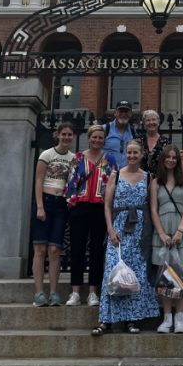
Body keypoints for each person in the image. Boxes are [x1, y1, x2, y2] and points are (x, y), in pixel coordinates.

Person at [93, 139, 160, 335]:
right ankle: (106, 320)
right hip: (119, 229)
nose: (132, 156)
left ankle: (132, 319)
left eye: (135, 153)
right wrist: (110, 230)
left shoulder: (148, 178)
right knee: (113, 272)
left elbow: (152, 207)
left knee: (136, 274)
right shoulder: (115, 175)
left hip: (140, 231)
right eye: (129, 152)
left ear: (142, 155)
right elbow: (107, 206)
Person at [64, 124, 118, 307]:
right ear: (88, 138)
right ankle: (75, 292)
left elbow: (114, 184)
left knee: (97, 250)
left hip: (100, 208)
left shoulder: (109, 159)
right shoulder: (78, 157)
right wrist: (72, 203)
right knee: (77, 249)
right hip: (80, 207)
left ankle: (93, 292)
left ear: (104, 140)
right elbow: (70, 182)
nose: (97, 140)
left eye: (100, 137)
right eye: (94, 137)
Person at [30, 121, 76, 307]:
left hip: (61, 204)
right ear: (57, 135)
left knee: (55, 250)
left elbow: (73, 182)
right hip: (46, 201)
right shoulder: (46, 155)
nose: (66, 137)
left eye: (69, 134)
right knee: (40, 249)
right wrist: (40, 206)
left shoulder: (74, 158)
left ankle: (54, 292)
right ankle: (39, 292)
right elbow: (38, 180)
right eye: (63, 134)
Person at [150, 144, 183, 333]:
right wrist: (161, 233)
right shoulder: (155, 182)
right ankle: (167, 317)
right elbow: (153, 209)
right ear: (162, 159)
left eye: (174, 157)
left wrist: (180, 231)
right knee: (164, 275)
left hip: (178, 227)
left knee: (180, 274)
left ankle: (179, 317)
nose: (171, 160)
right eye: (168, 157)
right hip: (162, 228)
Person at [138, 109, 170, 178]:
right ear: (144, 124)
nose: (151, 122)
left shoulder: (165, 142)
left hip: (160, 179)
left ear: (158, 122)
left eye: (153, 119)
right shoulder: (138, 141)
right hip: (141, 179)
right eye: (148, 120)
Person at [103, 100, 135, 168]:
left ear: (131, 114)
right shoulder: (105, 129)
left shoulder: (133, 131)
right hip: (107, 171)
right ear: (115, 113)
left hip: (126, 172)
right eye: (120, 111)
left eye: (126, 112)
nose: (123, 114)